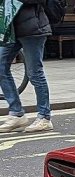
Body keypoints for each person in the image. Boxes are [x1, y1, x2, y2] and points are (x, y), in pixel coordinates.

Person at [0, 0, 53, 133]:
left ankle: (44, 117)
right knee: (1, 66)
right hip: (12, 31)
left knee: (35, 73)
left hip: (33, 29)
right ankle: (17, 113)